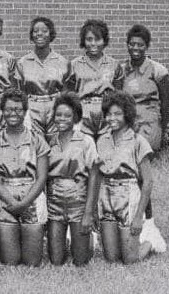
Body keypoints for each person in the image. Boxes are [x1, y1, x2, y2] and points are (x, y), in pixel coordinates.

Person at [121, 24, 168, 253]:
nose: (135, 48)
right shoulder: (123, 70)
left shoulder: (158, 71)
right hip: (129, 127)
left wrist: (165, 131)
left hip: (150, 128)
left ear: (147, 47)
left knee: (143, 177)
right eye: (132, 44)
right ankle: (132, 219)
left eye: (140, 45)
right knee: (130, 176)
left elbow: (166, 104)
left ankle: (149, 225)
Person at [0, 91, 49, 267]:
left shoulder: (37, 139)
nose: (13, 113)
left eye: (18, 109)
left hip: (31, 197)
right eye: (8, 109)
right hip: (5, 198)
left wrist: (24, 204)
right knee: (10, 261)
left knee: (32, 262)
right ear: (2, 111)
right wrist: (12, 203)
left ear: (25, 112)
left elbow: (42, 178)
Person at [97, 92, 153, 264]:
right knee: (111, 258)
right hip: (106, 195)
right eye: (109, 114)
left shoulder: (138, 140)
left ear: (127, 114)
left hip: (128, 196)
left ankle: (150, 243)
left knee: (130, 259)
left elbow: (148, 181)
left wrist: (138, 216)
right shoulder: (102, 140)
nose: (112, 118)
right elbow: (98, 174)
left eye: (117, 114)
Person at [47, 93, 100, 266]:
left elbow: (94, 175)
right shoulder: (48, 141)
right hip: (54, 202)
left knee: (80, 261)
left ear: (76, 117)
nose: (62, 119)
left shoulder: (86, 141)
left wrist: (88, 213)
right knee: (56, 260)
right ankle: (65, 239)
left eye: (67, 115)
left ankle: (89, 239)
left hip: (78, 200)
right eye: (58, 114)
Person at [65, 19, 124, 140]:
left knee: (106, 151)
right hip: (83, 115)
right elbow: (70, 95)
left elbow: (119, 94)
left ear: (104, 40)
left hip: (106, 115)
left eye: (97, 39)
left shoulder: (114, 65)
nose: (93, 44)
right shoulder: (74, 65)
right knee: (85, 151)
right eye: (89, 39)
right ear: (83, 41)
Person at [15, 17, 69, 136]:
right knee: (35, 145)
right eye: (35, 31)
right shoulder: (22, 62)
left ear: (51, 34)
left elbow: (66, 92)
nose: (39, 34)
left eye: (44, 31)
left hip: (55, 107)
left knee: (56, 143)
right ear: (31, 35)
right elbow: (20, 93)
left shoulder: (62, 61)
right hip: (33, 107)